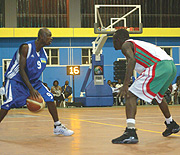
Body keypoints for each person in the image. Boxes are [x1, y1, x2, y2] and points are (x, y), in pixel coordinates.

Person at [0, 28, 74, 136]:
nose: (51, 38)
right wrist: (30, 89)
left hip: (33, 81)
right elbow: (21, 70)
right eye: (49, 36)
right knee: (9, 102)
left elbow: (35, 73)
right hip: (16, 80)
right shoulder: (26, 47)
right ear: (41, 37)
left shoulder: (44, 55)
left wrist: (35, 86)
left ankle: (57, 126)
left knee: (49, 97)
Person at [112, 29, 179, 144]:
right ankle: (171, 123)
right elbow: (161, 60)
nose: (113, 43)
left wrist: (125, 85)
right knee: (158, 97)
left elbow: (131, 61)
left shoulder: (126, 45)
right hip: (170, 66)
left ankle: (131, 132)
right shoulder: (139, 46)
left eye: (113, 41)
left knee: (130, 95)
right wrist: (167, 81)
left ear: (118, 40)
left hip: (160, 66)